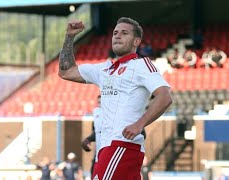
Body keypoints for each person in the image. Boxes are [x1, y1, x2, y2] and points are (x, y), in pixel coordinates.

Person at [58, 17, 172, 179]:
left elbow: (165, 96)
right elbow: (66, 71)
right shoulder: (105, 69)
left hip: (122, 144)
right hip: (105, 148)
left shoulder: (141, 65)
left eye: (124, 33)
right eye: (115, 33)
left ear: (136, 41)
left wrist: (139, 124)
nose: (117, 36)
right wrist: (70, 37)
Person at [81, 95, 102, 179]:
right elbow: (96, 132)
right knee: (93, 174)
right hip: (98, 152)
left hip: (111, 149)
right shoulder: (97, 112)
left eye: (102, 102)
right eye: (99, 102)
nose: (100, 104)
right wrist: (88, 139)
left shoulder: (116, 113)